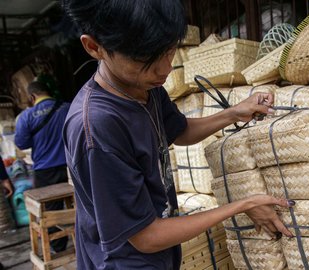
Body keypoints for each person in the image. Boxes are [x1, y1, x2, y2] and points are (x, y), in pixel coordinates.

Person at [62, 1, 293, 269]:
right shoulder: (98, 126)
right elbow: (146, 237)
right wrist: (242, 205)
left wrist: (234, 113)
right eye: (144, 59)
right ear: (94, 47)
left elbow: (179, 131)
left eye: (169, 51)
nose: (164, 69)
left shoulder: (142, 86)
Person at [14, 81, 70, 252]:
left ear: (32, 97)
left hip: (45, 171)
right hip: (72, 167)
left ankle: (58, 247)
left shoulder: (27, 116)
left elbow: (21, 144)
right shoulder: (67, 107)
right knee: (82, 206)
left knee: (51, 213)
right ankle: (90, 241)